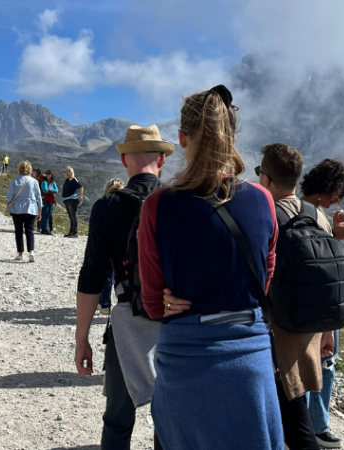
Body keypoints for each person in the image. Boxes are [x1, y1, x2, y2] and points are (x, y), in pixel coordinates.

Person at [138, 85, 284, 450]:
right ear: (232, 138)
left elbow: (153, 301)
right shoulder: (263, 199)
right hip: (250, 361)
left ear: (182, 139)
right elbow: (264, 280)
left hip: (184, 360)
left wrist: (168, 302)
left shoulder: (157, 205)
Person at [75, 124, 172, 450]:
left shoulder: (107, 206)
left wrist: (82, 339)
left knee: (117, 417)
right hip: (175, 323)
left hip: (126, 322)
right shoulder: (179, 203)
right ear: (162, 161)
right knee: (170, 418)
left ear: (123, 159)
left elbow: (92, 277)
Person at [253, 144, 337, 450]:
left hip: (274, 333)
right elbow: (327, 279)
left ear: (265, 178)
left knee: (292, 424)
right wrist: (328, 331)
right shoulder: (318, 216)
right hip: (309, 331)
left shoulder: (265, 214)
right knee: (294, 413)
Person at [299, 158, 344, 449]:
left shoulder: (311, 213)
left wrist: (336, 235)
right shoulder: (309, 217)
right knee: (318, 366)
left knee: (320, 366)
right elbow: (317, 273)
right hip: (317, 314)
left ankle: (315, 426)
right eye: (339, 193)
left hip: (315, 312)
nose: (339, 200)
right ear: (329, 191)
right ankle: (313, 428)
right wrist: (325, 328)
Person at [95, 179, 125, 315]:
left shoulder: (103, 203)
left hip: (104, 245)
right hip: (121, 246)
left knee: (104, 275)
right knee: (114, 276)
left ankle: (102, 303)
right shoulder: (126, 204)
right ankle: (109, 304)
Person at [6, 161, 42, 262]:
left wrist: (8, 204)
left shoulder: (15, 180)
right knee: (29, 230)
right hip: (31, 208)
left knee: (18, 231)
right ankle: (31, 251)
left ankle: (20, 253)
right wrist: (39, 212)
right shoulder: (34, 181)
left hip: (17, 209)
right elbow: (39, 197)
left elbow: (9, 196)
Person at [62, 166, 84, 238]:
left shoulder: (74, 179)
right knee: (70, 216)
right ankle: (71, 231)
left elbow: (81, 187)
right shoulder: (67, 180)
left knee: (73, 216)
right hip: (67, 200)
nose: (67, 173)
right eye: (66, 171)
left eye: (68, 171)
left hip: (72, 200)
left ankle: (75, 232)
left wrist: (80, 196)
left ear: (71, 172)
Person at [41, 170, 58, 234]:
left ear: (51, 175)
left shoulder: (53, 183)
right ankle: (44, 228)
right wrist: (51, 191)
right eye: (47, 174)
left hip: (51, 200)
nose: (48, 175)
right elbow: (45, 190)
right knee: (44, 214)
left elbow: (56, 190)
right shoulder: (44, 182)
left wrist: (50, 190)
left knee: (48, 214)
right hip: (45, 200)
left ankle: (46, 228)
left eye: (49, 174)